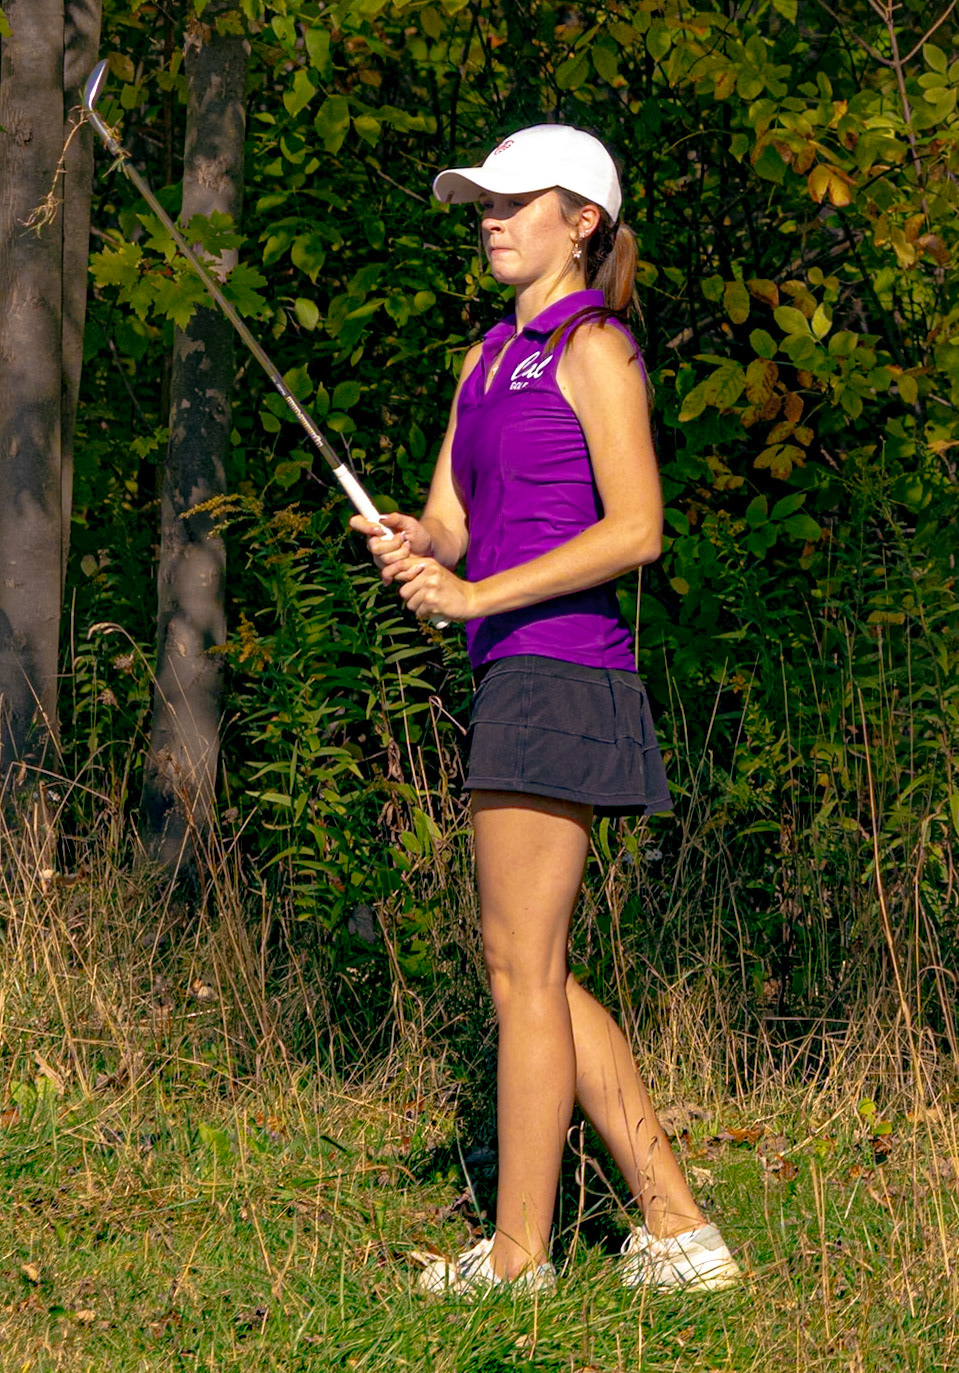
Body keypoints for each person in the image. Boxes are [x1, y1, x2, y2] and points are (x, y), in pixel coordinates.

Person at [351, 125, 739, 1296]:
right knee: (533, 970)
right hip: (511, 669)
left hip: (564, 668)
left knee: (521, 969)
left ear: (581, 224)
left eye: (515, 200)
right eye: (483, 201)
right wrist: (419, 544)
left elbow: (637, 528)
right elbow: (454, 521)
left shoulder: (595, 348)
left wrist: (474, 593)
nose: (490, 217)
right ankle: (676, 1226)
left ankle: (520, 1256)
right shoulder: (483, 360)